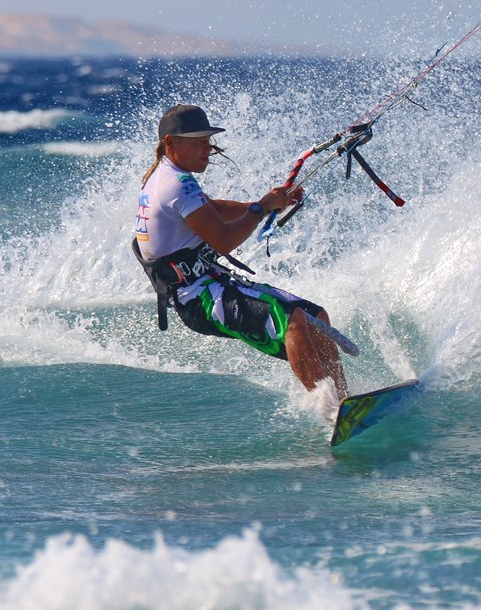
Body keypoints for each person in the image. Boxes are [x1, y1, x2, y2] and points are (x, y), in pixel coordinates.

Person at [133, 104, 348, 401]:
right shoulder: (174, 184)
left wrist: (268, 204)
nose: (207, 149)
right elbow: (223, 240)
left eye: (208, 141)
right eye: (198, 142)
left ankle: (347, 401)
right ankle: (331, 410)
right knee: (292, 319)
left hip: (212, 283)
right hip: (197, 298)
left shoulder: (169, 176)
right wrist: (259, 209)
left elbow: (214, 209)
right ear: (171, 143)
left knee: (316, 317)